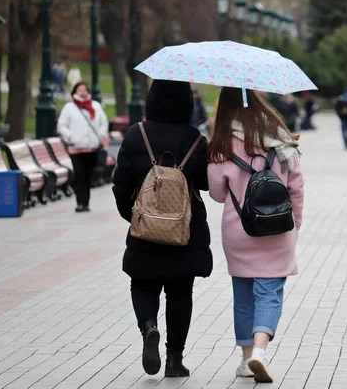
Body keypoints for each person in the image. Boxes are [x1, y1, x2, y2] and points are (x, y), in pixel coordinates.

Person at [112, 80, 213, 377]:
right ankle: (174, 359)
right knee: (180, 291)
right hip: (184, 232)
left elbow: (120, 184)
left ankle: (148, 327)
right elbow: (207, 184)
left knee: (142, 282)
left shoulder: (135, 135)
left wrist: (135, 218)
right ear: (187, 104)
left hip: (145, 230)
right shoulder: (195, 139)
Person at [207, 87, 304, 383]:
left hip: (239, 230)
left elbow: (217, 192)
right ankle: (261, 352)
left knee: (244, 296)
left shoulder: (223, 141)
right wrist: (295, 224)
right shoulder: (280, 136)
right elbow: (296, 187)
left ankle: (246, 358)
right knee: (269, 293)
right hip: (277, 228)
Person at [57, 81, 109, 212]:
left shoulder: (95, 106)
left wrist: (100, 135)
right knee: (79, 174)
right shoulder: (69, 107)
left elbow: (104, 122)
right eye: (80, 90)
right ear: (74, 92)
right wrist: (70, 136)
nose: (83, 92)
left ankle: (86, 202)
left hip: (92, 147)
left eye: (85, 90)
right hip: (76, 148)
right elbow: (61, 125)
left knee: (88, 175)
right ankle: (80, 202)